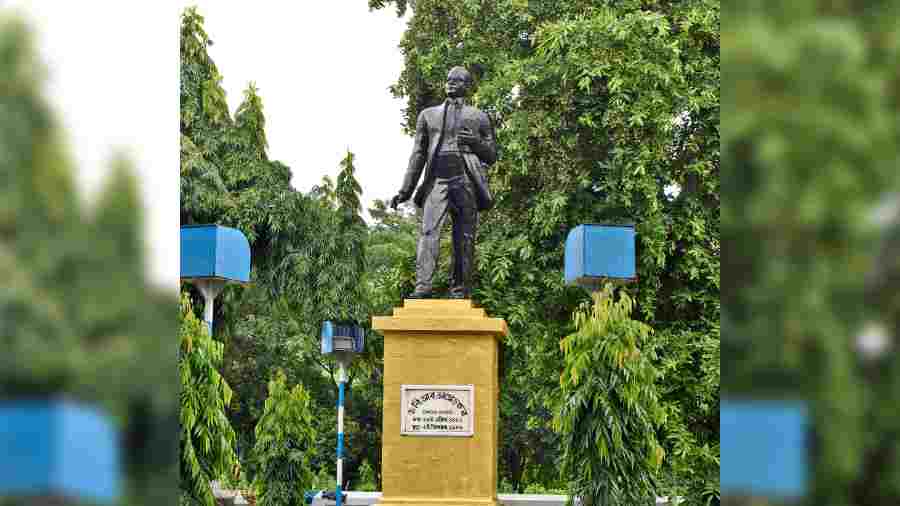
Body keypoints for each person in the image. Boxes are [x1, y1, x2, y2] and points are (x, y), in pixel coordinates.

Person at [391, 66, 497, 299]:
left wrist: (476, 143)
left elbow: (491, 155)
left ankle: (460, 289)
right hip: (437, 180)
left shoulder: (479, 116)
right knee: (428, 231)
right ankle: (423, 286)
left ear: (467, 87)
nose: (450, 83)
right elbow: (418, 154)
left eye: (457, 80)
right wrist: (405, 190)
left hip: (465, 179)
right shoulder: (428, 115)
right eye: (448, 79)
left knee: (464, 236)